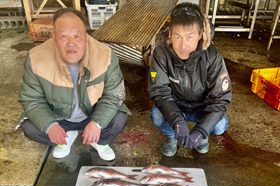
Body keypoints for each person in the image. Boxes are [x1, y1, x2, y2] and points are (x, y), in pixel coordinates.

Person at [17, 8, 130, 161]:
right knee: (30, 127)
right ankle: (66, 135)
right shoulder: (36, 59)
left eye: (77, 36)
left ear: (85, 37)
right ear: (54, 38)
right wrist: (50, 126)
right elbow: (31, 99)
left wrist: (97, 123)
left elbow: (114, 95)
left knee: (119, 118)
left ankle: (99, 140)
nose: (71, 43)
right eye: (64, 36)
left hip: (91, 115)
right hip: (59, 117)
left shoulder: (105, 56)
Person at [148, 2, 231, 156]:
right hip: (176, 104)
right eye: (177, 36)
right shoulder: (161, 53)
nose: (183, 45)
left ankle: (202, 137)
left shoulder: (213, 56)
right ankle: (172, 136)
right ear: (170, 33)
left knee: (220, 125)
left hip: (202, 107)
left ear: (200, 34)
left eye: (190, 37)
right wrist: (177, 121)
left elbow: (220, 99)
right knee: (157, 115)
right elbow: (159, 91)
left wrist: (201, 130)